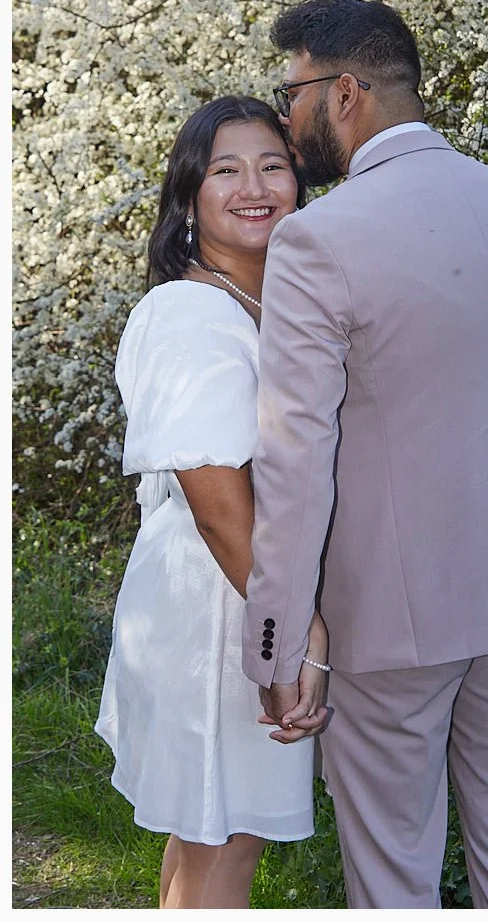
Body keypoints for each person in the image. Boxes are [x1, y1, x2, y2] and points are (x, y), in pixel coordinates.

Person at [241, 0, 488, 909]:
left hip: (390, 618)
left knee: (394, 867)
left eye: (292, 95)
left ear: (345, 91)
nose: (287, 118)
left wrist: (277, 644)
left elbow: (294, 457)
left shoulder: (317, 239)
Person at [94, 95, 328, 910]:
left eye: (272, 164)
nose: (253, 186)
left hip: (240, 588)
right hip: (223, 601)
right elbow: (217, 501)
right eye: (224, 171)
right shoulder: (189, 312)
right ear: (190, 195)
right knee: (223, 843)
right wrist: (291, 630)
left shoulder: (260, 299)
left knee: (209, 836)